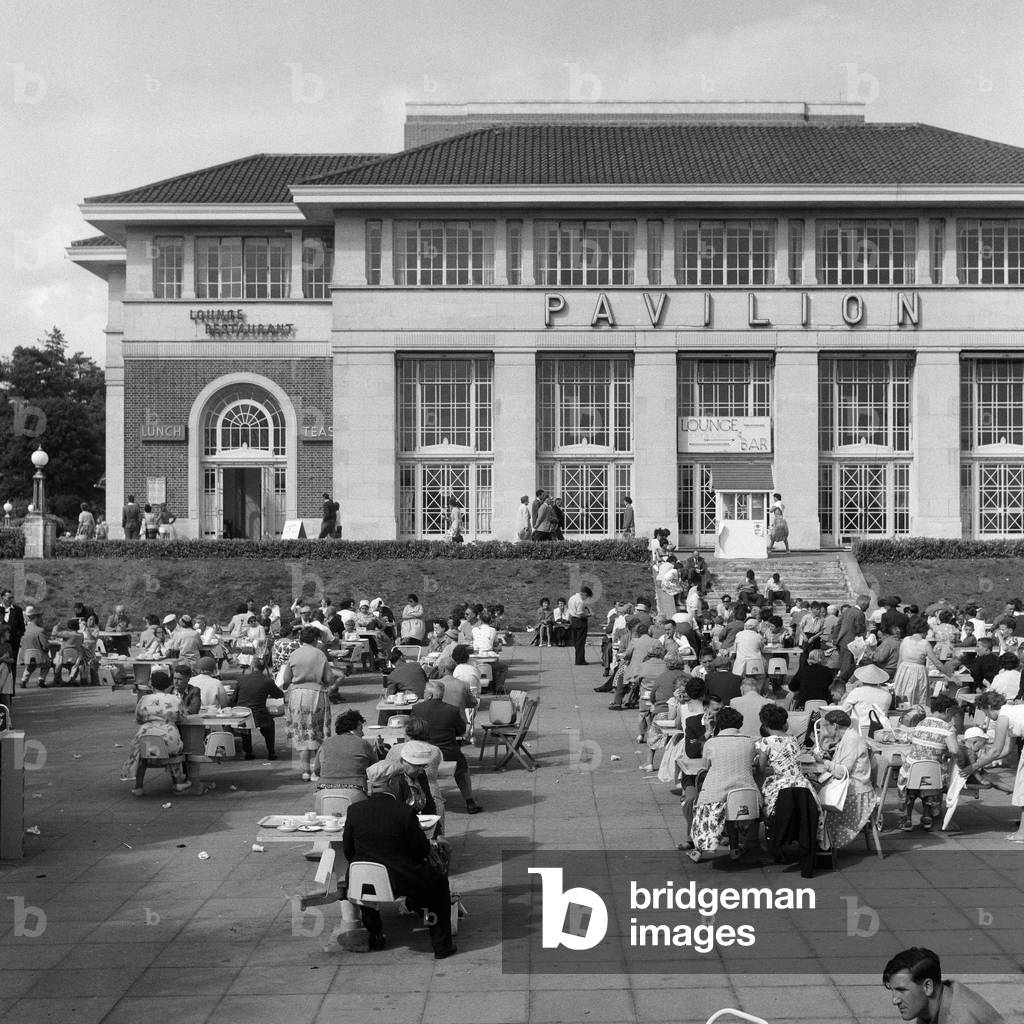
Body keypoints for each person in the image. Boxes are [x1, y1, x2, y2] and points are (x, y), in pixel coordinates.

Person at [341, 762, 456, 958]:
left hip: (364, 878)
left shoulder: (354, 810)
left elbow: (348, 850)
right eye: (401, 779)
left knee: (365, 883)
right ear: (393, 782)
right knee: (438, 886)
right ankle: (441, 944)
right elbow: (420, 850)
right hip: (401, 879)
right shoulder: (404, 812)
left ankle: (375, 933)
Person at [688, 706, 758, 862]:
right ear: (739, 724)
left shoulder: (711, 743)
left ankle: (699, 849)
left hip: (717, 793)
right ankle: (734, 848)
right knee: (731, 817)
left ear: (719, 724)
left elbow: (706, 766)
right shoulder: (750, 743)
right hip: (745, 793)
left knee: (703, 807)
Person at [882, 946, 1005, 1024]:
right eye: (893, 990)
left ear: (928, 987)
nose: (895, 1000)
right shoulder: (943, 996)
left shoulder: (961, 1018)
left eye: (902, 990)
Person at [411, 681, 482, 813]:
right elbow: (461, 730)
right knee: (462, 769)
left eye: (425, 692)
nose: (424, 694)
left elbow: (411, 730)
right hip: (447, 754)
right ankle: (469, 801)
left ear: (430, 695)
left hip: (422, 755)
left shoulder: (417, 709)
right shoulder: (452, 710)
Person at [120, 670, 192, 796]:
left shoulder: (144, 699)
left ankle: (138, 787)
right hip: (169, 737)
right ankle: (178, 783)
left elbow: (138, 718)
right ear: (168, 685)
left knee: (142, 755)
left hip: (146, 738)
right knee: (175, 754)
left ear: (151, 685)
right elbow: (183, 718)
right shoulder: (175, 699)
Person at [965, 690, 1024, 843]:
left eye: (985, 712)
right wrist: (987, 760)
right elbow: (1007, 749)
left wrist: (974, 766)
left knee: (1023, 791)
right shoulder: (1013, 711)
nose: (986, 716)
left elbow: (997, 750)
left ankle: (1022, 833)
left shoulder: (1003, 718)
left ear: (990, 707)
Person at [896, 694, 961, 833]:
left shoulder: (920, 723)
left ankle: (906, 819)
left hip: (911, 771)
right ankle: (927, 816)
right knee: (930, 784)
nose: (953, 718)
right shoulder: (947, 728)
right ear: (948, 711)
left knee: (911, 790)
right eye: (953, 714)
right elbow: (954, 749)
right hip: (932, 774)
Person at [817, 709, 878, 850]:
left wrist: (823, 762)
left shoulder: (851, 739)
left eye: (827, 725)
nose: (825, 729)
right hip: (856, 788)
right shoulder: (849, 737)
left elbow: (841, 772)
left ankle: (824, 845)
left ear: (835, 726)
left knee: (816, 800)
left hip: (856, 795)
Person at [281, 626, 334, 781]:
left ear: (300, 639)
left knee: (302, 732)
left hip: (297, 696)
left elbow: (286, 680)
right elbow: (329, 678)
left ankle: (305, 770)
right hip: (316, 694)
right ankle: (316, 771)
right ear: (315, 640)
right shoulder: (320, 654)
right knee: (317, 731)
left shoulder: (294, 654)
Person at [755, 703, 816, 822]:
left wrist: (758, 788)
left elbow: (760, 769)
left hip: (782, 787)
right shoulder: (792, 739)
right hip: (803, 785)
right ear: (784, 723)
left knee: (762, 805)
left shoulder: (766, 742)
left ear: (765, 725)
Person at [893, 616, 954, 707]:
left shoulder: (905, 640)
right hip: (917, 673)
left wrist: (896, 677)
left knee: (903, 698)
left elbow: (900, 660)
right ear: (924, 631)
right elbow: (937, 663)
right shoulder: (925, 643)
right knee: (917, 700)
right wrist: (951, 676)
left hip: (903, 671)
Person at [231, 659, 283, 760]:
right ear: (263, 669)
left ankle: (248, 752)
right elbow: (279, 694)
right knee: (269, 725)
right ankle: (271, 752)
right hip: (259, 715)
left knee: (245, 729)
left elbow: (234, 699)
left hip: (242, 714)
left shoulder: (241, 679)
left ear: (251, 667)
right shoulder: (267, 680)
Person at [317, 709, 377, 790]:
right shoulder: (363, 743)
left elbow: (317, 770)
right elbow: (375, 769)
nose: (363, 734)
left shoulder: (326, 743)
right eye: (361, 729)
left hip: (324, 792)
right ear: (358, 726)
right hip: (355, 791)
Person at [835, 595, 870, 682]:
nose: (868, 607)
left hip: (842, 641)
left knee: (843, 664)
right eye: (868, 605)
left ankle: (839, 682)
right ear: (863, 604)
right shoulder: (859, 613)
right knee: (848, 667)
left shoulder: (847, 611)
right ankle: (842, 684)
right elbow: (859, 629)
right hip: (852, 643)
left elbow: (838, 625)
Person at [18, 606, 49, 689]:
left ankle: (24, 680)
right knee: (47, 665)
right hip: (40, 657)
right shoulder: (40, 630)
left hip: (26, 657)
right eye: (40, 617)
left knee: (30, 667)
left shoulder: (23, 630)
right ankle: (41, 679)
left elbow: (21, 643)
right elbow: (45, 646)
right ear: (36, 618)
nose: (41, 619)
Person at [0, 590, 25, 681]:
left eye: (12, 598)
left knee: (12, 666)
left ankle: (10, 691)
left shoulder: (17, 610)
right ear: (2, 597)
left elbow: (22, 628)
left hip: (12, 644)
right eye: (8, 597)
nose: (10, 600)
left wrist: (16, 637)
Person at [567, 585, 593, 667]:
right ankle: (579, 660)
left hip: (573, 621)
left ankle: (579, 658)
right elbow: (580, 614)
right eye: (587, 596)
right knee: (581, 642)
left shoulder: (572, 598)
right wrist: (589, 615)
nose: (587, 599)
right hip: (580, 622)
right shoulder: (580, 601)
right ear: (584, 594)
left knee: (576, 641)